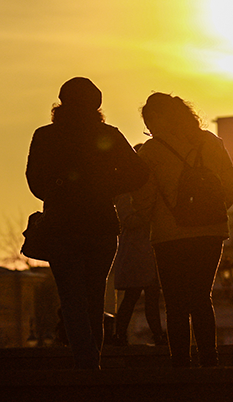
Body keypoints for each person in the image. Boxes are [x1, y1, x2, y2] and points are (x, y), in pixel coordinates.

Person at [26, 77, 149, 369]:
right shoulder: (107, 134)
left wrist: (58, 190)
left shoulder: (45, 136)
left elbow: (34, 181)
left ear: (61, 104)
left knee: (72, 297)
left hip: (61, 226)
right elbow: (140, 174)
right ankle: (94, 360)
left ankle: (87, 361)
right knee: (94, 296)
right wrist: (106, 187)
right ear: (96, 106)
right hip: (101, 225)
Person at [132, 93, 233, 367]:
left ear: (156, 118)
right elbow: (232, 188)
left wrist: (149, 218)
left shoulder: (151, 151)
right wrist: (209, 211)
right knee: (202, 298)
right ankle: (209, 359)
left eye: (149, 121)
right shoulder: (211, 143)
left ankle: (180, 361)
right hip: (211, 232)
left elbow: (144, 200)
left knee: (176, 303)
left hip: (170, 236)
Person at [109, 184, 165, 346]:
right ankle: (120, 334)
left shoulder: (138, 193)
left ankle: (156, 334)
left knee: (150, 298)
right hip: (136, 254)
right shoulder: (124, 194)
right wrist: (149, 213)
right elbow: (129, 221)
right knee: (132, 297)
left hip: (147, 253)